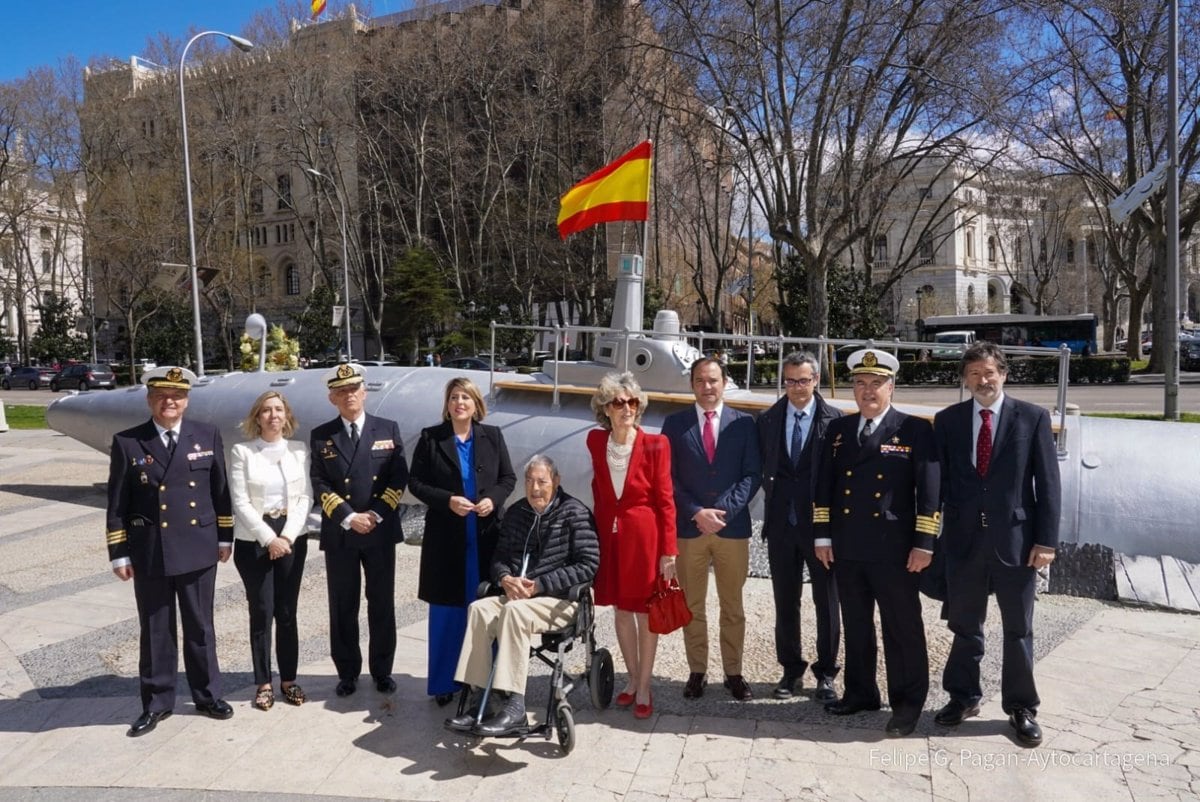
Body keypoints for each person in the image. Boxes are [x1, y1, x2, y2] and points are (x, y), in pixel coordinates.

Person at [933, 342, 1061, 748]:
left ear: (1003, 374)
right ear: (965, 379)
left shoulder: (1033, 418)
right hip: (964, 541)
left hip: (1018, 543)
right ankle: (963, 696)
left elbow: (1049, 485)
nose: (982, 381)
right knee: (965, 624)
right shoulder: (948, 420)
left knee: (1018, 628)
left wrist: (1046, 541)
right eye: (974, 374)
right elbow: (941, 481)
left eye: (989, 373)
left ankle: (1021, 707)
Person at [813, 348, 940, 738]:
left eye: (876, 384)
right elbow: (824, 486)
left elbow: (930, 492)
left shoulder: (914, 429)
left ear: (891, 386)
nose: (867, 391)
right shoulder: (838, 431)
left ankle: (907, 703)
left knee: (901, 627)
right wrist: (822, 535)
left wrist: (924, 542)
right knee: (856, 624)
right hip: (848, 547)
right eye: (860, 383)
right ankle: (861, 692)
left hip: (895, 550)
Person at [104, 366, 235, 737]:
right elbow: (117, 503)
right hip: (151, 551)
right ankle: (157, 703)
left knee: (200, 626)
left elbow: (220, 491)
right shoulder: (129, 442)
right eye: (162, 396)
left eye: (176, 396)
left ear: (186, 400)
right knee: (156, 630)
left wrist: (225, 538)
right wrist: (119, 552)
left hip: (198, 547)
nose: (169, 402)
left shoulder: (206, 435)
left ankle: (208, 695)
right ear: (150, 400)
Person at [446, 455, 600, 736]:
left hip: (561, 600)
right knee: (480, 608)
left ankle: (515, 707)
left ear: (556, 481)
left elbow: (588, 566)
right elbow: (499, 559)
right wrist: (505, 578)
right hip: (519, 596)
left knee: (513, 613)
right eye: (529, 481)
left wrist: (540, 585)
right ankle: (481, 697)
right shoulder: (517, 512)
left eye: (542, 481)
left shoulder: (574, 513)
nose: (535, 488)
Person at [409, 377, 516, 706]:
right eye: (454, 397)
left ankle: (493, 678)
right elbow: (416, 483)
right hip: (447, 538)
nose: (460, 403)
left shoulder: (492, 436)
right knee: (448, 612)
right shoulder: (432, 438)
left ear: (475, 404)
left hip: (484, 536)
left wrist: (493, 500)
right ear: (448, 404)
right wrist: (447, 500)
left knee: (488, 609)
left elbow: (507, 478)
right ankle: (445, 683)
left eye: (466, 397)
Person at [661, 357, 762, 701]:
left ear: (725, 382)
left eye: (714, 380)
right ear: (692, 384)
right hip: (690, 531)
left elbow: (752, 475)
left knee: (732, 606)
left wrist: (721, 512)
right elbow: (667, 477)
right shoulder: (674, 425)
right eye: (701, 380)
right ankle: (697, 671)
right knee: (693, 605)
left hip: (731, 530)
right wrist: (695, 512)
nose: (707, 387)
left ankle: (734, 672)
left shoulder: (745, 424)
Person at [310, 363, 409, 697]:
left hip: (379, 531)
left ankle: (382, 670)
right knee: (343, 604)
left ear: (364, 392)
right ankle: (347, 672)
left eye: (354, 389)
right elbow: (319, 483)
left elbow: (398, 478)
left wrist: (376, 515)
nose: (349, 395)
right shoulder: (322, 435)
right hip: (342, 533)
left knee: (381, 602)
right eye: (341, 391)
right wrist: (350, 516)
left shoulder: (388, 429)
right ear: (331, 398)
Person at [586, 372, 678, 719]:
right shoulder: (595, 442)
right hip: (610, 538)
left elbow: (666, 500)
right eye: (619, 402)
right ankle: (630, 678)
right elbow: (599, 490)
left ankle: (644, 685)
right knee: (621, 611)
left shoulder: (656, 444)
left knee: (644, 612)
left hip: (645, 539)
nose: (627, 408)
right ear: (605, 408)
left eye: (633, 402)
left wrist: (668, 551)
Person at [755, 351, 842, 702]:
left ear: (816, 380)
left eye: (804, 380)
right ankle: (791, 670)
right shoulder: (768, 420)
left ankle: (826, 673)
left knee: (827, 601)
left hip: (820, 529)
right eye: (790, 380)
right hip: (781, 527)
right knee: (785, 602)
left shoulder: (834, 422)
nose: (797, 387)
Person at [229, 391, 314, 711]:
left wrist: (288, 536)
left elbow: (305, 497)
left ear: (287, 416)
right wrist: (269, 539)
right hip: (255, 540)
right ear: (256, 417)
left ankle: (289, 680)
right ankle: (263, 683)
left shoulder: (298, 450)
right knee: (262, 611)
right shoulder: (242, 452)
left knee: (288, 612)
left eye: (279, 410)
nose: (273, 415)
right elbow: (240, 502)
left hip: (292, 536)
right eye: (266, 410)